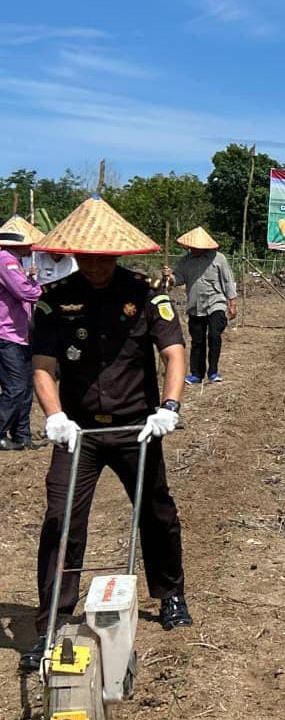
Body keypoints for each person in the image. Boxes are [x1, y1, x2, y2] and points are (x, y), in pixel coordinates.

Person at [21, 196, 192, 671]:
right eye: (88, 257)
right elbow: (43, 366)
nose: (96, 266)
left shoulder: (145, 295)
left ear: (117, 255)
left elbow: (174, 352)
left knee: (157, 512)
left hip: (137, 427)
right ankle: (52, 622)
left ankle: (170, 593)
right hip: (79, 432)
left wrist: (170, 406)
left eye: (104, 257)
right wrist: (55, 416)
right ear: (76, 254)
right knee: (60, 522)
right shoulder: (55, 301)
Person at [162, 226, 237, 384]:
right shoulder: (186, 261)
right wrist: (169, 278)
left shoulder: (219, 259)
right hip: (195, 305)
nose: (192, 249)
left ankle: (213, 372)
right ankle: (196, 373)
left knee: (214, 336)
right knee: (197, 340)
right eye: (190, 247)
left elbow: (228, 281)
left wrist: (232, 303)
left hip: (215, 302)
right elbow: (178, 278)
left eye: (195, 247)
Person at [0, 223, 43, 450]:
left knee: (24, 387)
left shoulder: (13, 261)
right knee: (16, 387)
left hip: (18, 333)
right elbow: (25, 291)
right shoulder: (6, 259)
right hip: (7, 333)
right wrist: (42, 289)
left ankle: (22, 435)